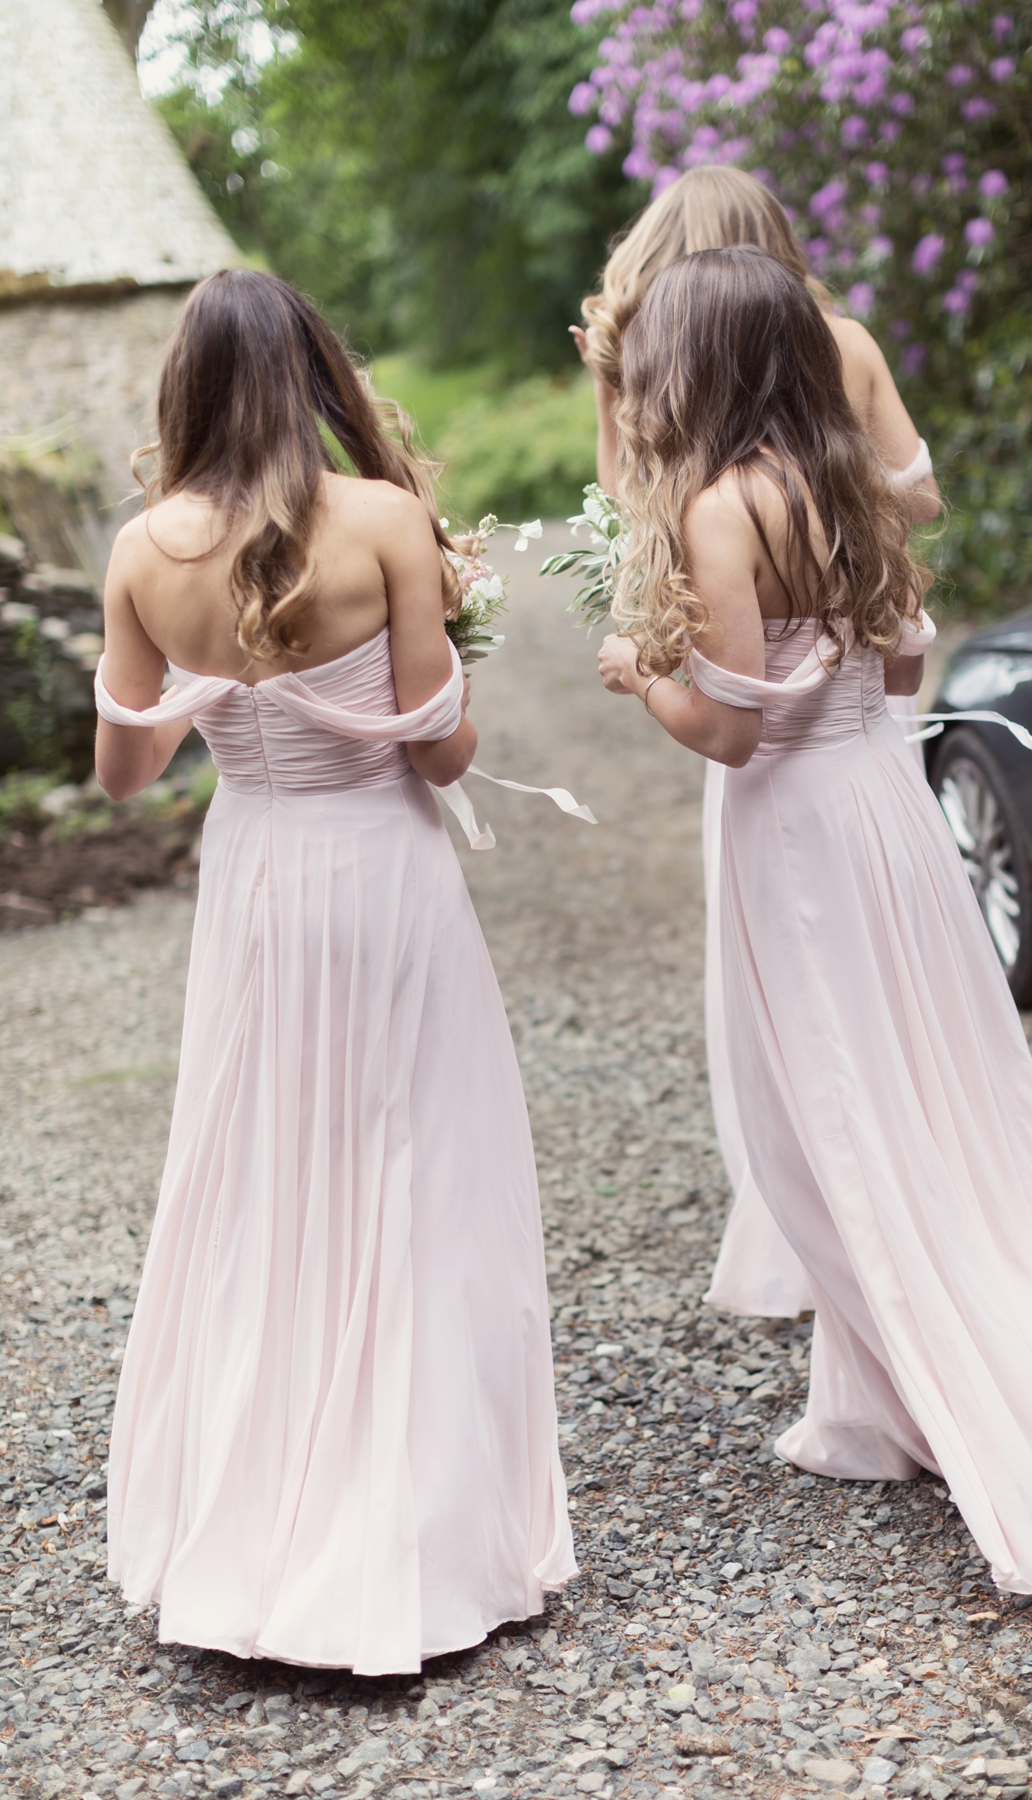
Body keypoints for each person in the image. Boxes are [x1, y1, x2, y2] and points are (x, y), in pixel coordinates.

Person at [596, 244, 1032, 1593]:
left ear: (706, 367)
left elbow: (737, 731)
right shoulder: (853, 491)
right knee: (937, 1097)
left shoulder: (721, 510)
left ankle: (960, 1396)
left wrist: (642, 679)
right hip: (888, 811)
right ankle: (895, 1397)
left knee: (823, 1117)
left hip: (801, 832)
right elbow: (910, 658)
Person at [95, 270, 575, 1674]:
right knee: (416, 1168)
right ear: (310, 373)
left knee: (263, 1176)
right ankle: (415, 1527)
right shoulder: (377, 519)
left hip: (256, 881)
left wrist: (221, 691)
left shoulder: (140, 551)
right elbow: (440, 748)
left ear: (185, 390)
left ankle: (251, 1517)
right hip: (380, 872)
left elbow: (126, 774)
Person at [572, 165, 938, 1324]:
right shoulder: (841, 357)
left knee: (801, 994)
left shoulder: (714, 467)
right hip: (860, 719)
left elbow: (644, 524)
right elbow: (911, 529)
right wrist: (848, 532)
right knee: (891, 985)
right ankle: (882, 1223)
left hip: (778, 730)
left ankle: (830, 1228)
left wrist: (648, 663)